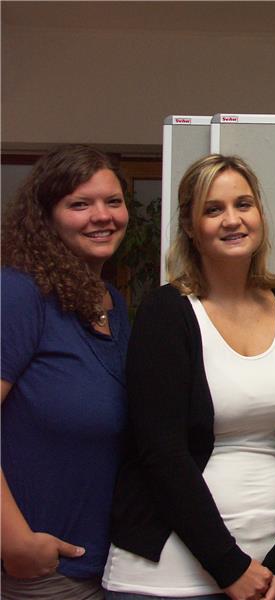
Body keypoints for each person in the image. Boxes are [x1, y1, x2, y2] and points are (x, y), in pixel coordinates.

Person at [103, 154, 275, 600]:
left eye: (243, 204)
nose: (232, 220)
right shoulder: (166, 312)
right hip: (170, 577)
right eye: (213, 209)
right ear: (190, 226)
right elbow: (161, 452)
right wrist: (227, 566)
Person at [1, 145, 131, 599]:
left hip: (109, 565)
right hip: (39, 572)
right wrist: (14, 541)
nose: (102, 216)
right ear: (46, 217)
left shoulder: (113, 304)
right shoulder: (18, 295)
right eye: (80, 204)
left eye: (113, 201)